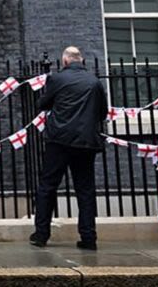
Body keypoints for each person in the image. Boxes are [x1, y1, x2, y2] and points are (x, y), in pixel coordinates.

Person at [30, 46, 108, 250]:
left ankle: (41, 234)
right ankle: (89, 237)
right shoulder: (95, 82)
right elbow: (103, 113)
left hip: (59, 141)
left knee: (48, 186)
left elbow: (43, 104)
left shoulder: (57, 79)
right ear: (81, 60)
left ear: (65, 61)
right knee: (85, 190)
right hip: (85, 142)